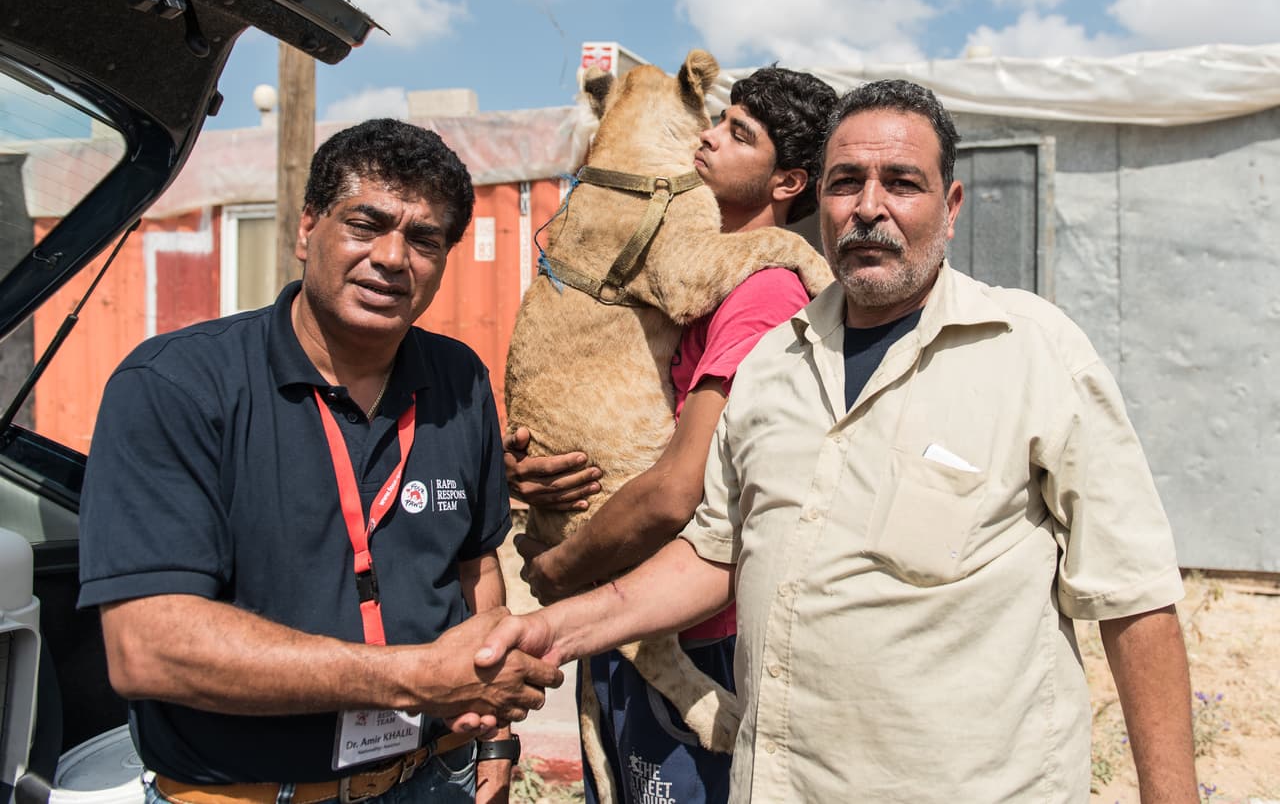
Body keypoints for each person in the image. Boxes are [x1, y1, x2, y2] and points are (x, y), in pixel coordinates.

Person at [482, 81, 1199, 802]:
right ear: (818, 198)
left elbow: (1132, 598)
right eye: (847, 182)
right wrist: (554, 630)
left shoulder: (1034, 353)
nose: (869, 207)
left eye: (902, 183)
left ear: (950, 209)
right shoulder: (773, 365)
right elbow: (711, 554)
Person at [78, 119, 562, 804]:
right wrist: (418, 675)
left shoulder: (459, 380)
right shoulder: (175, 385)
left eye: (424, 239)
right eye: (367, 224)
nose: (394, 257)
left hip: (431, 779)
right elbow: (147, 647)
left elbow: (475, 565)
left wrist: (493, 735)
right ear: (307, 228)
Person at [505, 67, 837, 803]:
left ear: (787, 183)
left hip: (691, 627)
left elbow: (675, 490)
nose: (706, 140)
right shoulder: (680, 260)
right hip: (627, 599)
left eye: (736, 134)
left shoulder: (762, 294)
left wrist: (561, 571)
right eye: (717, 123)